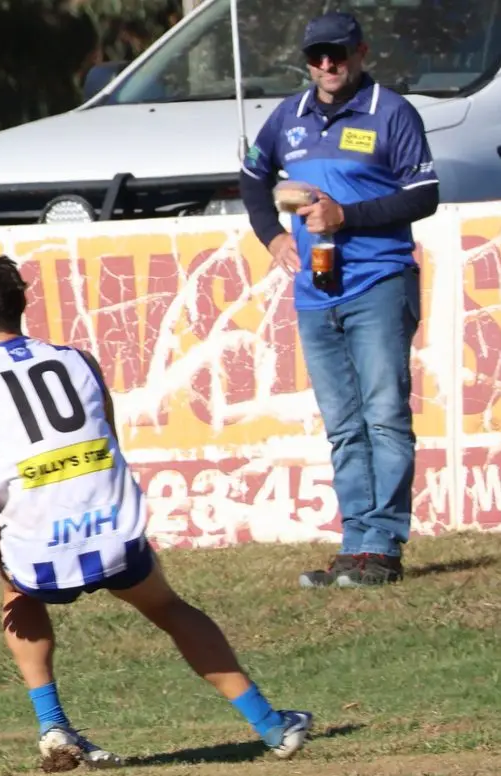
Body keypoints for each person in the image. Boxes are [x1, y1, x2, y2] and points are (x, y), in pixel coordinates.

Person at [0, 253, 313, 768]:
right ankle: (272, 726)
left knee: (17, 588)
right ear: (22, 306)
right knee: (169, 609)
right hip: (114, 532)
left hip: (40, 552)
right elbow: (109, 443)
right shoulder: (80, 362)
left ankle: (53, 727)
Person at [239, 11, 439, 588]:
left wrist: (345, 215)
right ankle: (355, 545)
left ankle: (383, 544)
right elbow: (253, 179)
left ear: (360, 51)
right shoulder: (289, 117)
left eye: (338, 53)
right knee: (345, 425)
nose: (328, 65)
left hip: (379, 282)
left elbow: (425, 193)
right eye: (317, 55)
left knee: (384, 417)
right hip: (314, 291)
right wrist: (274, 237)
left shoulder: (391, 112)